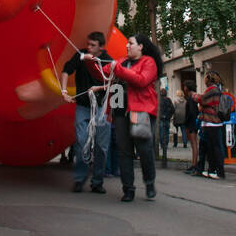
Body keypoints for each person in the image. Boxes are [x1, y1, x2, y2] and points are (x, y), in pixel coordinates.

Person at [95, 34, 160, 202]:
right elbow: (104, 73)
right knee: (124, 152)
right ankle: (128, 188)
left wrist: (118, 69)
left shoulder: (148, 63)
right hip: (119, 110)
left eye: (131, 43)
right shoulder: (121, 60)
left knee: (144, 149)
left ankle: (149, 181)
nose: (127, 46)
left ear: (141, 46)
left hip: (140, 111)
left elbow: (141, 80)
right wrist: (94, 61)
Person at [62, 31, 112, 194]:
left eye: (93, 45)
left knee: (101, 146)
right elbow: (66, 69)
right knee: (81, 142)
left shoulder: (108, 61)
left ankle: (97, 181)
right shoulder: (81, 55)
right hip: (83, 107)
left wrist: (100, 87)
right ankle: (79, 179)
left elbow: (115, 83)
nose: (89, 48)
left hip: (101, 108)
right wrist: (63, 91)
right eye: (88, 44)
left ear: (101, 47)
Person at [195, 72, 228, 180]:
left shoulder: (211, 90)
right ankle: (212, 170)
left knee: (214, 148)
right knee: (213, 147)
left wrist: (194, 95)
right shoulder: (219, 90)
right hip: (215, 122)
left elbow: (202, 99)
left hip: (211, 122)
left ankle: (218, 171)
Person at [182, 82, 200, 172]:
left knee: (194, 144)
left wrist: (186, 122)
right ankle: (194, 164)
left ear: (187, 88)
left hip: (191, 123)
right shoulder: (193, 97)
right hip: (193, 123)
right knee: (194, 144)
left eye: (184, 86)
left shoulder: (191, 98)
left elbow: (192, 112)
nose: (183, 87)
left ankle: (194, 164)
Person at [157, 85, 174, 160]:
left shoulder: (158, 100)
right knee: (166, 132)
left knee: (160, 132)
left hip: (160, 118)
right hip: (166, 118)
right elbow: (172, 109)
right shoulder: (168, 100)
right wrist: (169, 116)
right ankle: (165, 144)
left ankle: (162, 144)